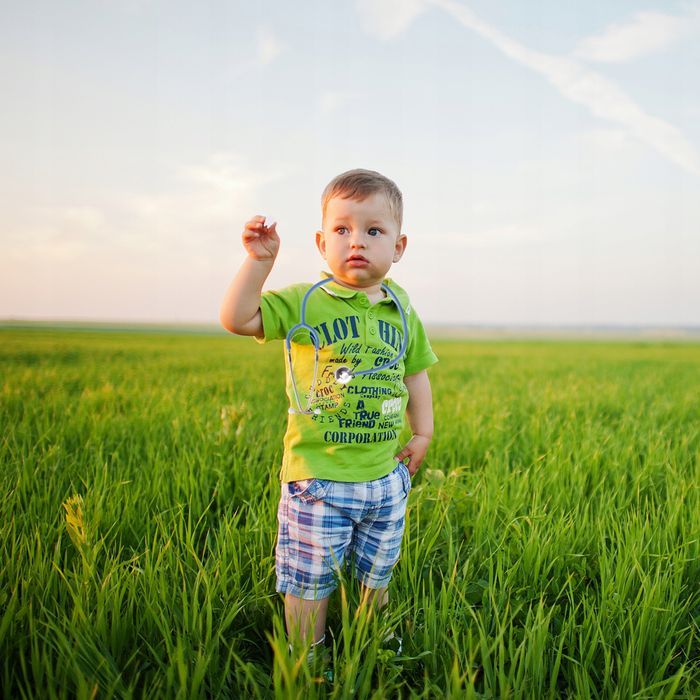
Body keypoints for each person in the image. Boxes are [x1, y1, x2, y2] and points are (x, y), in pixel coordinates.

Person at [219, 168, 438, 660]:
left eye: (373, 230)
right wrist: (258, 263)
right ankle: (307, 658)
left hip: (385, 478)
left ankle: (373, 644)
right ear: (321, 242)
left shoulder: (402, 309)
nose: (356, 241)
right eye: (342, 229)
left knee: (376, 573)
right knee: (309, 580)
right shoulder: (307, 302)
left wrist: (422, 433)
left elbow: (416, 373)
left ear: (399, 247)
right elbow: (238, 319)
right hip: (318, 479)